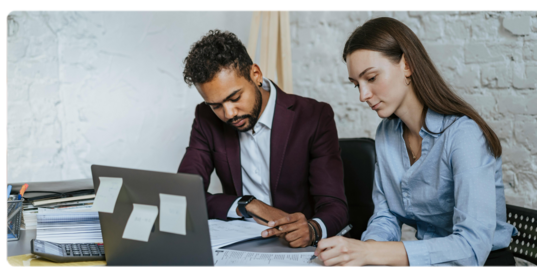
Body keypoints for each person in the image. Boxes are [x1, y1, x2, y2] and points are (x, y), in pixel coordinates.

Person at [313, 17, 518, 268]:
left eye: (372, 78)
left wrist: (368, 253)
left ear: (407, 65)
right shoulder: (386, 133)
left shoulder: (464, 136)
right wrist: (364, 252)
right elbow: (386, 215)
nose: (363, 95)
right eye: (357, 84)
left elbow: (470, 248)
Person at [178, 30, 348, 248]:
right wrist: (246, 204)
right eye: (216, 105)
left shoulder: (313, 116)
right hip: (238, 244)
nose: (229, 113)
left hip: (297, 247)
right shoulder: (205, 118)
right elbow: (185, 194)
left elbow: (335, 205)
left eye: (235, 97)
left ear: (255, 74)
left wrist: (313, 229)